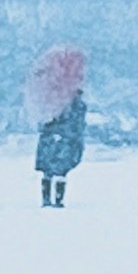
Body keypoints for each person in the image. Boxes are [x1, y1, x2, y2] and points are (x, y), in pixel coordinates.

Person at [28, 43, 87, 208]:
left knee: (49, 171)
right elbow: (77, 123)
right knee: (60, 171)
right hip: (65, 139)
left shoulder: (48, 100)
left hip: (54, 138)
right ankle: (57, 201)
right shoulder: (71, 103)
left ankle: (47, 200)